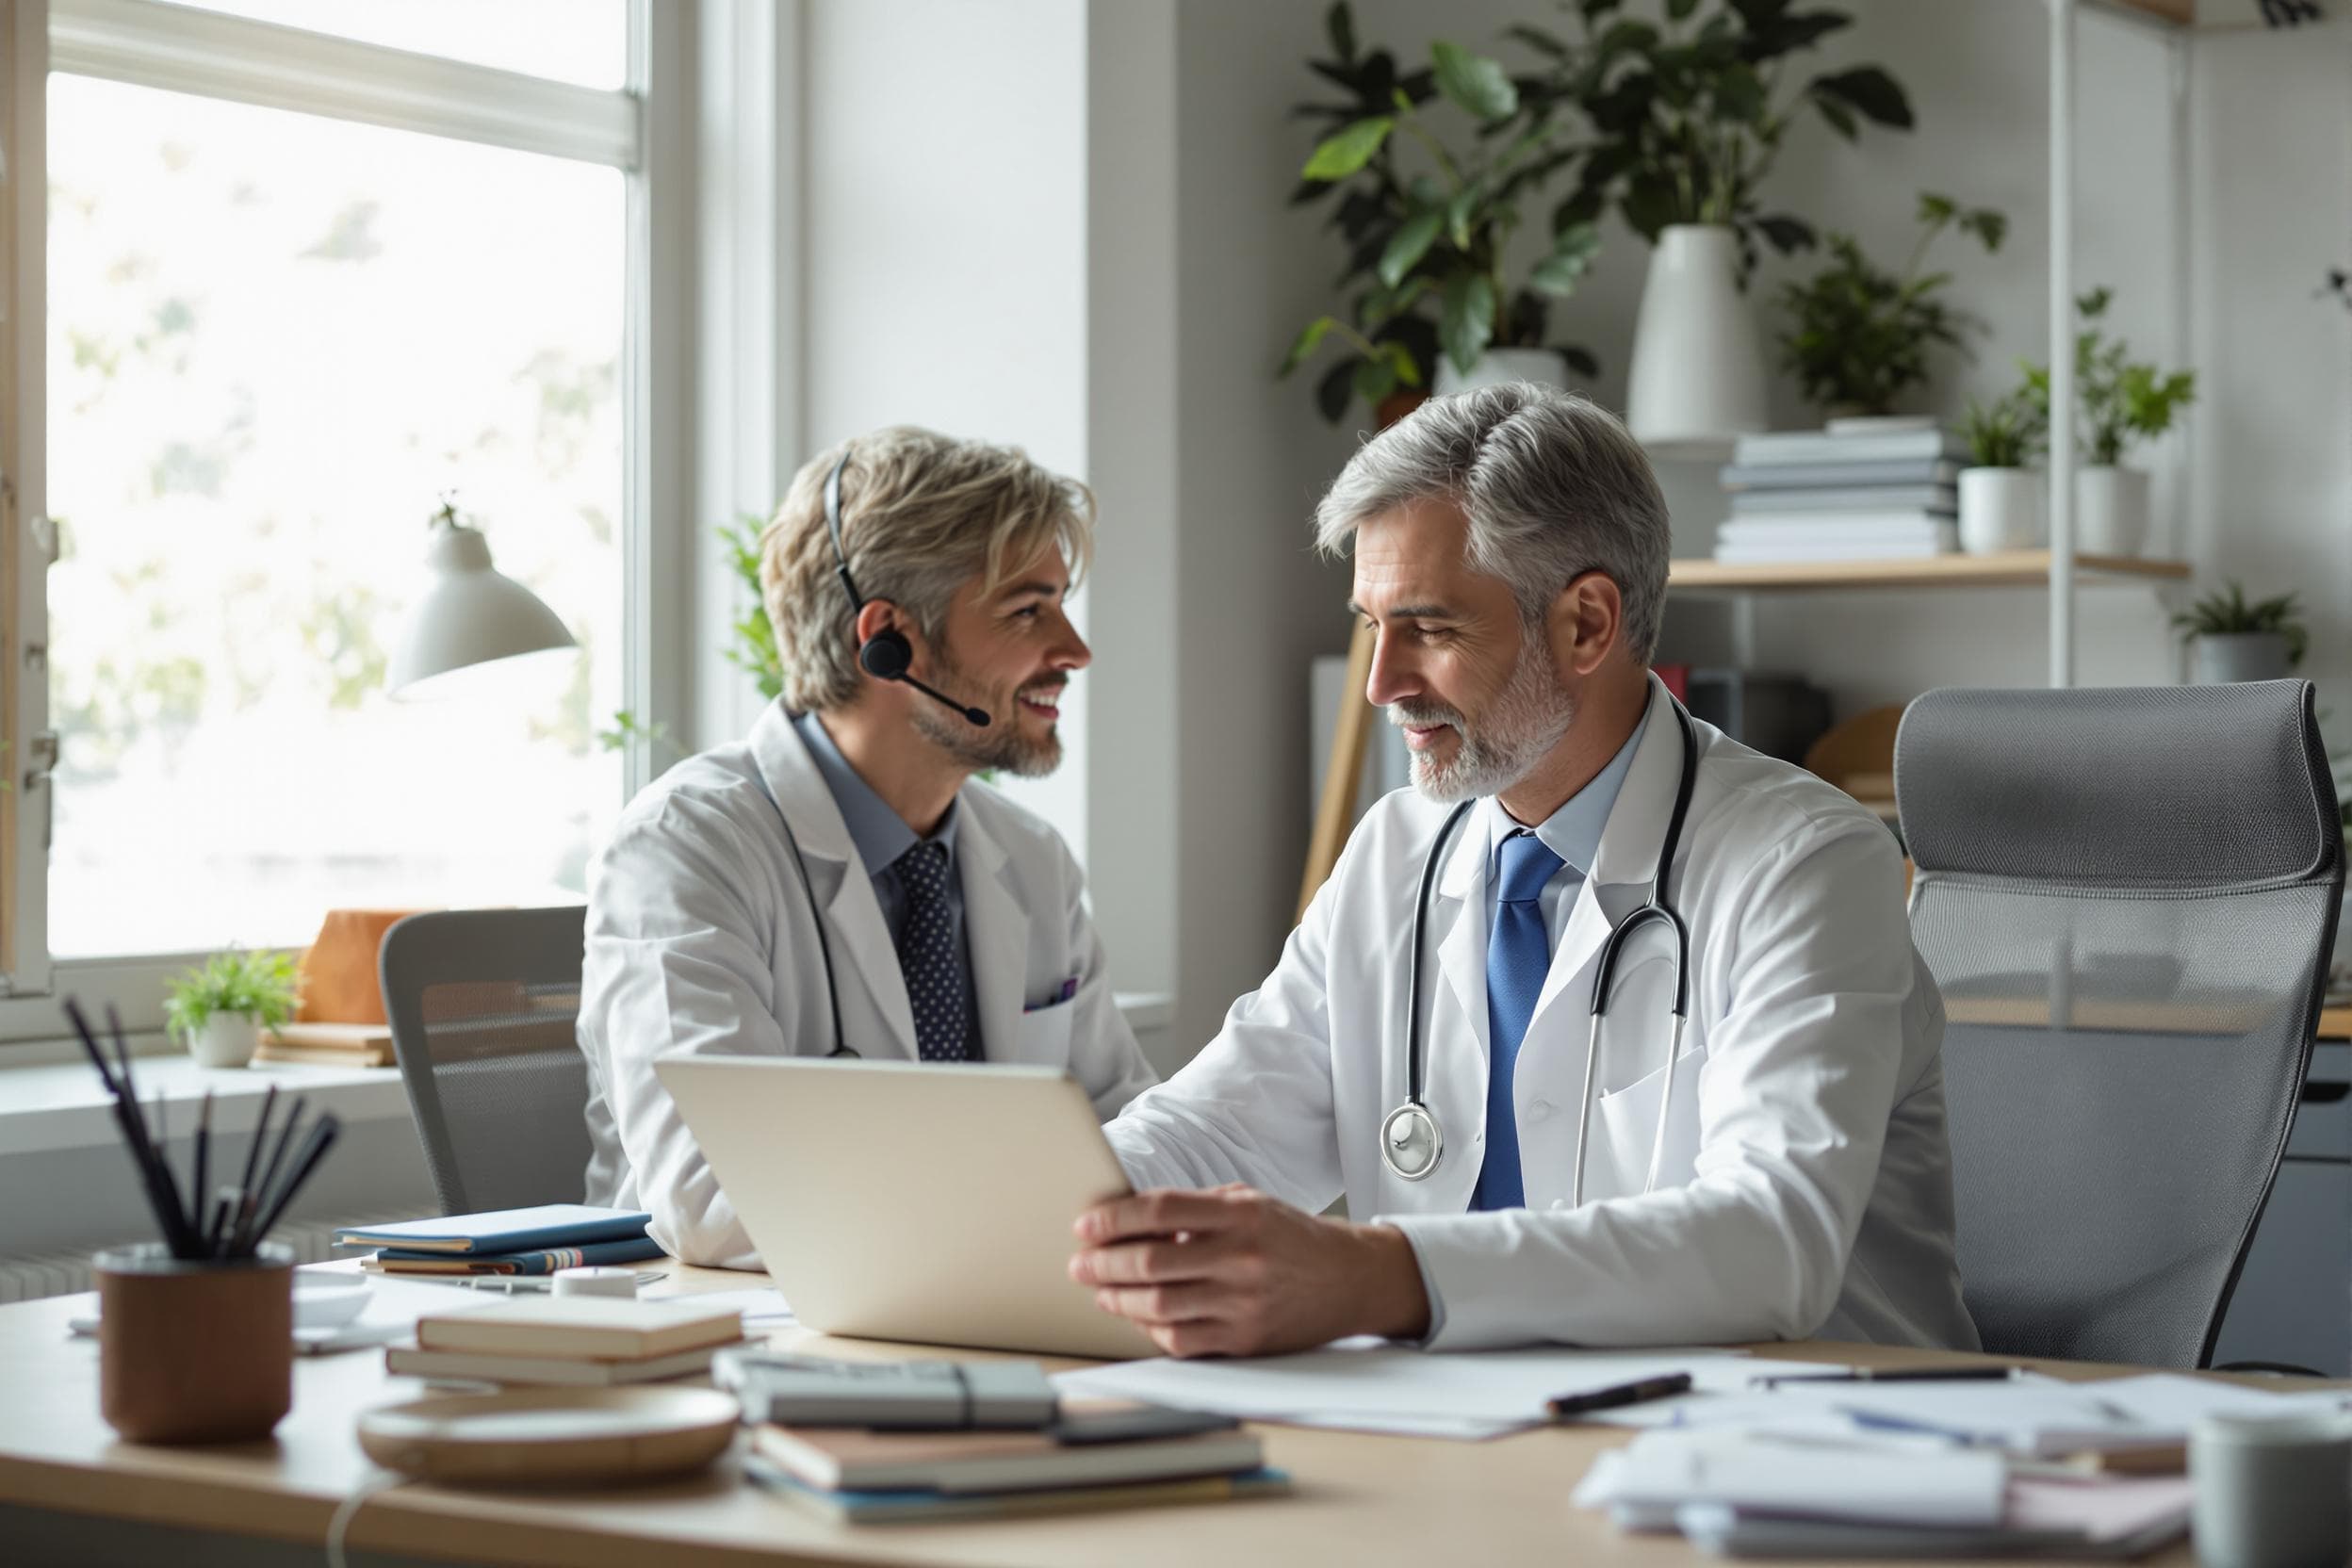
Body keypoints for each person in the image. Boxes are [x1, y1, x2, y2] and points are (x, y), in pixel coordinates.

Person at [1074, 384, 1977, 1357]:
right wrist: (1058, 1205)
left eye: (1430, 627)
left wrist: (1379, 1275)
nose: (1382, 683)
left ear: (1587, 623)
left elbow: (1769, 1241)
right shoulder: (1397, 852)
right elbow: (1213, 1129)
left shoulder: (1803, 865)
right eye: (1373, 625)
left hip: (1802, 1447)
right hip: (1484, 1437)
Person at [578, 426, 1158, 1267]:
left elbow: (1125, 1135)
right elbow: (716, 1199)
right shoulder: (683, 851)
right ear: (889, 638)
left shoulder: (1029, 859)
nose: (1072, 650)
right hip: (751, 1334)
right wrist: (1040, 1202)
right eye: (1028, 610)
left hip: (997, 1308)